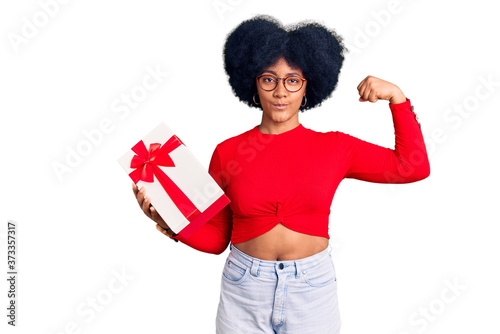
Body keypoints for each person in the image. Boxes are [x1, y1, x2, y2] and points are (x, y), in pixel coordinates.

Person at [132, 15, 430, 334]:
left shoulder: (336, 147)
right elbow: (219, 238)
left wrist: (397, 98)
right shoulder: (227, 152)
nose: (280, 92)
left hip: (312, 291)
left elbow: (412, 167)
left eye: (292, 80)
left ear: (307, 87)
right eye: (269, 79)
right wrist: (169, 222)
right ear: (253, 84)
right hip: (243, 291)